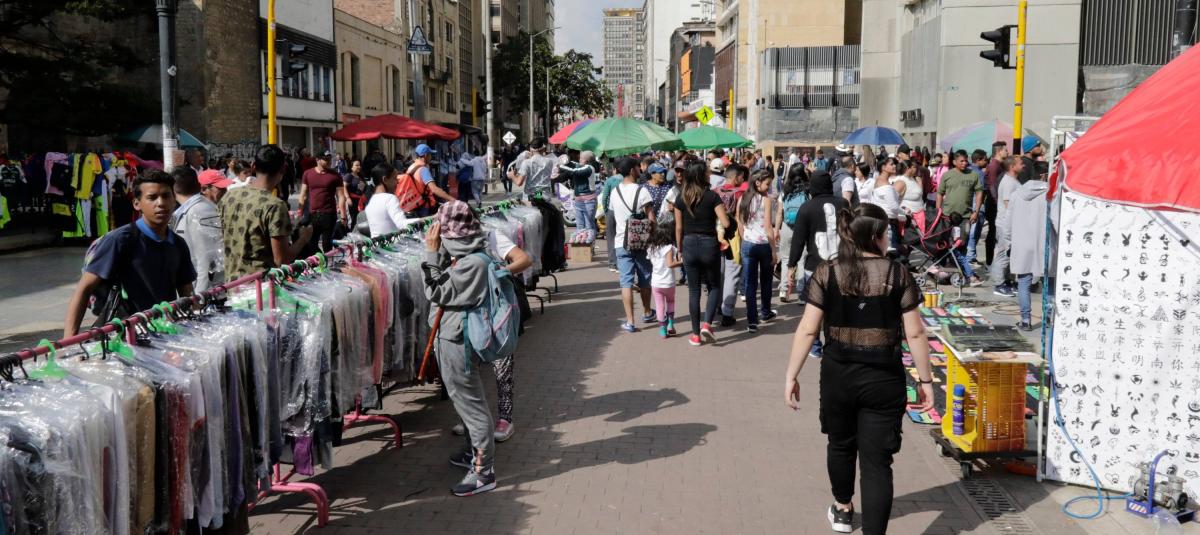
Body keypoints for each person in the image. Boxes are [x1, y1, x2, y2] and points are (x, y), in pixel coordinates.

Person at [783, 203, 934, 535]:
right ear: (877, 235)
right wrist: (926, 380)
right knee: (877, 463)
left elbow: (808, 329)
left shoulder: (828, 271)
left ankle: (842, 508)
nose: (889, 237)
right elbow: (915, 332)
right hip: (883, 378)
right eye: (887, 232)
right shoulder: (897, 273)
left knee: (840, 444)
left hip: (839, 376)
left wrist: (791, 374)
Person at [421, 201, 499, 496]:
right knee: (466, 399)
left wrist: (431, 251)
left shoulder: (472, 263)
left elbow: (435, 290)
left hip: (457, 340)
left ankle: (484, 472)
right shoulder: (466, 256)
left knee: (471, 403)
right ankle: (473, 453)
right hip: (454, 336)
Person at [64, 169, 197, 337]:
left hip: (165, 334)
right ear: (137, 204)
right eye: (152, 197)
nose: (160, 203)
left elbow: (187, 292)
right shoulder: (120, 240)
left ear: (174, 200)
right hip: (124, 337)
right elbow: (84, 289)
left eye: (166, 196)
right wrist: (69, 343)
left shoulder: (177, 243)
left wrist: (196, 328)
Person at [220, 144, 314, 279]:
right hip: (260, 289)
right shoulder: (275, 206)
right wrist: (303, 238)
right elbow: (281, 259)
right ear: (283, 169)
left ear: (253, 166)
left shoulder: (229, 196)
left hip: (233, 284)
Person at [786, 170, 847, 358]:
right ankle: (835, 341)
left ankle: (815, 345)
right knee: (838, 305)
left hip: (814, 266)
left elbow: (798, 240)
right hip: (841, 264)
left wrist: (791, 265)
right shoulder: (843, 204)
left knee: (814, 307)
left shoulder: (807, 207)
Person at [673, 160, 732, 346]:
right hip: (709, 244)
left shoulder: (681, 198)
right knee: (714, 286)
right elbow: (727, 223)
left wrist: (679, 249)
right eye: (707, 172)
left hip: (689, 244)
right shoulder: (712, 197)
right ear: (701, 175)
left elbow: (679, 228)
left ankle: (696, 334)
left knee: (694, 290)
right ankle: (707, 323)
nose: (709, 174)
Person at [610, 157, 656, 332]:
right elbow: (651, 220)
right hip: (641, 241)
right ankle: (646, 311)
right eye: (638, 167)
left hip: (621, 242)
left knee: (626, 282)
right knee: (645, 278)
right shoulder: (642, 191)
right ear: (631, 170)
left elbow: (613, 218)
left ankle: (630, 321)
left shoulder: (615, 192)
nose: (640, 170)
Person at [1004, 169, 1050, 331]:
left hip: (1021, 242)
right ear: (1044, 175)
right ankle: (1049, 316)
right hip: (1044, 242)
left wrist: (1008, 240)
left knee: (1023, 281)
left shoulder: (1017, 195)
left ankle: (1025, 320)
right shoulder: (1051, 195)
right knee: (1048, 281)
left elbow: (1007, 222)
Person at [172, 168, 228, 294]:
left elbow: (209, 258)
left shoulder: (200, 211)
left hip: (204, 292)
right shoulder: (190, 209)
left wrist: (199, 296)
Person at [737, 169, 779, 332]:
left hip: (748, 244)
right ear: (757, 183)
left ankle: (752, 321)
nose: (769, 187)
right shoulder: (765, 200)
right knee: (766, 281)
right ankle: (765, 312)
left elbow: (740, 224)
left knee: (750, 284)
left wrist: (745, 239)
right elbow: (768, 227)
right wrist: (774, 251)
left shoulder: (742, 199)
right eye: (767, 184)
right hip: (763, 245)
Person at [935, 152, 983, 286]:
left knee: (962, 244)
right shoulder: (947, 175)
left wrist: (976, 211)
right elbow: (940, 193)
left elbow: (979, 192)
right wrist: (938, 211)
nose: (965, 163)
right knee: (946, 245)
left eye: (966, 161)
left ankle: (963, 272)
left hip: (965, 217)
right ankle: (948, 271)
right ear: (955, 162)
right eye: (961, 161)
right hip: (947, 217)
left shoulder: (973, 175)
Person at [716, 163, 749, 326]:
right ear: (736, 177)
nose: (743, 179)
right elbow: (743, 218)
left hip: (715, 235)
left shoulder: (715, 192)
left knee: (719, 272)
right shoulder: (741, 193)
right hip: (734, 236)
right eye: (742, 177)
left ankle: (716, 306)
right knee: (733, 273)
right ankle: (727, 312)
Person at [298, 150, 348, 253]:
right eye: (326, 159)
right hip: (313, 214)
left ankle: (327, 266)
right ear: (317, 160)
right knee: (311, 243)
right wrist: (300, 213)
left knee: (327, 244)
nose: (329, 161)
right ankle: (316, 264)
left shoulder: (335, 175)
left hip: (329, 214)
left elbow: (341, 196)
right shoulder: (308, 174)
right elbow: (303, 195)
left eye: (330, 159)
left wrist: (343, 216)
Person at [990, 156, 1025, 297]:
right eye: (1020, 163)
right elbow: (1008, 205)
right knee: (1003, 254)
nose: (1023, 165)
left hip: (1011, 225)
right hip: (1006, 225)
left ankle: (1008, 281)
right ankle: (999, 284)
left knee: (1009, 254)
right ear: (1012, 167)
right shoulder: (1009, 183)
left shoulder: (1012, 180)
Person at [646, 222, 682, 338]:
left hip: (656, 283)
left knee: (659, 305)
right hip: (669, 282)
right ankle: (670, 324)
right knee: (670, 302)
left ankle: (662, 329)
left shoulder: (651, 248)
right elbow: (670, 264)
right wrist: (682, 262)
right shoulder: (669, 248)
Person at [557, 150, 601, 235]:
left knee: (589, 225)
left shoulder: (588, 168)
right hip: (579, 200)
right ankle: (581, 244)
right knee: (580, 225)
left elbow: (574, 171)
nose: (579, 159)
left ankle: (589, 244)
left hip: (589, 201)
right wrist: (566, 162)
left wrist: (561, 166)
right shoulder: (580, 166)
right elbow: (573, 164)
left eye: (581, 158)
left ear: (587, 161)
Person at [981, 141, 1009, 265]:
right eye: (1005, 150)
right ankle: (989, 261)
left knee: (994, 232)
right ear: (999, 151)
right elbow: (992, 185)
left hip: (996, 203)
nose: (1007, 152)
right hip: (993, 204)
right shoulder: (994, 166)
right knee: (992, 232)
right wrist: (998, 202)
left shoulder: (1000, 165)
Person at [363, 163, 409, 236]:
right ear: (385, 179)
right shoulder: (389, 198)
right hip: (393, 246)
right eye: (395, 178)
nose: (397, 182)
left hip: (377, 245)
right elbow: (402, 224)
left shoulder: (371, 201)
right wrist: (428, 219)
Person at [871, 157, 903, 252]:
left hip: (881, 219)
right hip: (888, 221)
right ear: (883, 167)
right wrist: (905, 213)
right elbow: (893, 207)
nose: (894, 166)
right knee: (891, 251)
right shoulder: (885, 185)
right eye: (891, 164)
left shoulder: (878, 180)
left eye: (894, 164)